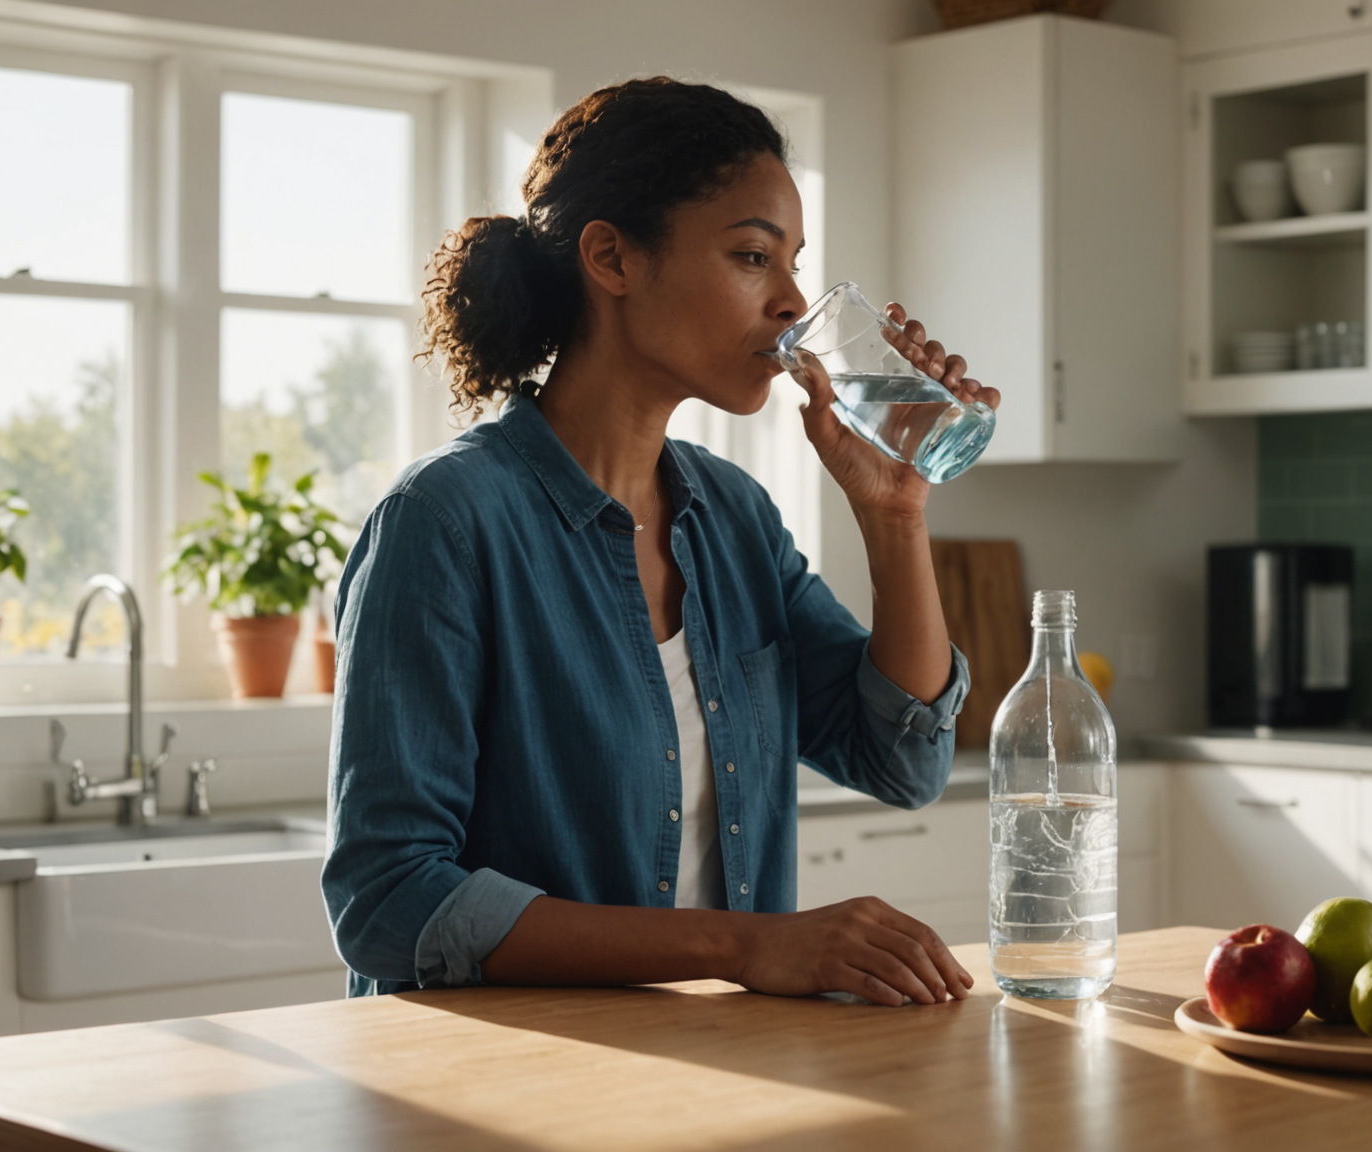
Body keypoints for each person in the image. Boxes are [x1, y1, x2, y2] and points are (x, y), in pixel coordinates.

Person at [322, 76, 1001, 1008]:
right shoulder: (445, 523)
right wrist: (748, 947)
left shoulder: (735, 519)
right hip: (500, 1098)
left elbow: (904, 763)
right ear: (612, 258)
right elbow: (388, 900)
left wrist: (896, 516)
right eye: (754, 257)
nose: (792, 302)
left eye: (795, 262)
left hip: (718, 1075)